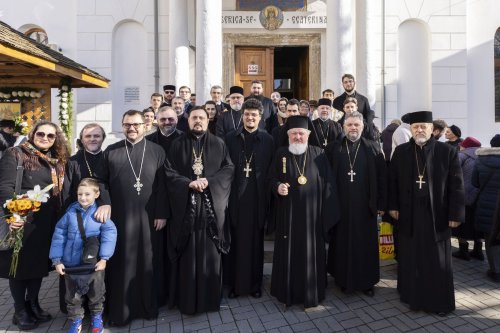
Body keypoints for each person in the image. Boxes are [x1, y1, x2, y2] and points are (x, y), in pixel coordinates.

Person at [389, 111, 464, 316]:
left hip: (436, 215)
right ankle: (412, 297)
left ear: (432, 129)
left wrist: (456, 214)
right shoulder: (402, 151)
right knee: (411, 256)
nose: (419, 130)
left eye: (423, 126)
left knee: (436, 260)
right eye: (415, 127)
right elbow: (392, 182)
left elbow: (457, 185)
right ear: (410, 130)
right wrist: (393, 206)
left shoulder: (446, 151)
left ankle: (439, 302)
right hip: (409, 213)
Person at [165, 106, 234, 314]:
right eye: (194, 117)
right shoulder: (177, 144)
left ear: (208, 120)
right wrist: (188, 183)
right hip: (186, 209)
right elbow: (168, 172)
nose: (198, 121)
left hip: (210, 211)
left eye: (201, 118)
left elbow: (229, 169)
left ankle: (210, 299)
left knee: (210, 255)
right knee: (186, 255)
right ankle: (185, 300)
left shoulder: (218, 144)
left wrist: (209, 181)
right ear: (187, 120)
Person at [0, 120, 69, 330]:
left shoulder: (53, 159)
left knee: (37, 267)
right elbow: (4, 187)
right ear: (32, 134)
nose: (45, 138)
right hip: (21, 222)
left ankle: (33, 303)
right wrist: (13, 216)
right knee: (19, 268)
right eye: (41, 134)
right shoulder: (16, 154)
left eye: (50, 135)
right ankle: (20, 310)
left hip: (45, 223)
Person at [103, 110, 168, 326]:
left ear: (146, 125)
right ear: (122, 126)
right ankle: (121, 311)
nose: (132, 128)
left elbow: (163, 185)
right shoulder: (111, 151)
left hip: (150, 218)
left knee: (147, 260)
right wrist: (105, 204)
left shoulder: (157, 150)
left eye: (136, 124)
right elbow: (101, 183)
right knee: (122, 261)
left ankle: (148, 307)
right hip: (120, 218)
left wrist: (161, 213)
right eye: (127, 124)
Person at [269, 116, 339, 308]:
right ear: (288, 135)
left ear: (308, 135)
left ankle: (312, 291)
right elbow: (271, 178)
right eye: (294, 134)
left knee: (311, 253)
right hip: (288, 216)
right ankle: (287, 291)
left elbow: (328, 184)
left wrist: (326, 213)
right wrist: (277, 187)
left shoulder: (319, 154)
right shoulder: (281, 154)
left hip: (312, 218)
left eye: (301, 133)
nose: (297, 137)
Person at [326, 111, 387, 296]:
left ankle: (367, 282)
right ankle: (343, 279)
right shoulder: (333, 149)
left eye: (356, 125)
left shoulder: (373, 148)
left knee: (365, 245)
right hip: (341, 206)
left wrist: (381, 204)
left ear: (363, 127)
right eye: (350, 125)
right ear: (344, 127)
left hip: (365, 207)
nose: (353, 128)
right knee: (342, 243)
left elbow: (383, 179)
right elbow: (326, 179)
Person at [49, 178, 117, 333]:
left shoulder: (99, 214)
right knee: (73, 298)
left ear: (97, 194)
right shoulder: (69, 214)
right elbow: (59, 236)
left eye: (87, 194)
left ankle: (96, 318)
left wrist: (105, 258)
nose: (83, 197)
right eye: (80, 194)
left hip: (93, 265)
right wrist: (56, 260)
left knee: (96, 294)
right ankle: (76, 321)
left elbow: (110, 233)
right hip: (71, 265)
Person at [223, 98, 274, 299]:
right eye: (247, 114)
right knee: (235, 243)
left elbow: (271, 169)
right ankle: (235, 285)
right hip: (235, 199)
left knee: (255, 244)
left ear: (260, 117)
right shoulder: (230, 138)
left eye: (254, 114)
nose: (250, 117)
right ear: (242, 115)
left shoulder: (268, 139)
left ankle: (255, 285)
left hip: (257, 199)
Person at [61, 123, 111, 313]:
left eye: (96, 136)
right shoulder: (73, 162)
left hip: (102, 220)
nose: (92, 139)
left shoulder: (109, 157)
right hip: (78, 221)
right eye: (88, 136)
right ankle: (76, 310)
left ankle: (98, 307)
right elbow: (67, 193)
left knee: (99, 265)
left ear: (103, 138)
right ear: (82, 139)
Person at [472, 134, 500, 282]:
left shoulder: (480, 160)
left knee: (490, 236)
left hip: (487, 202)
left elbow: (475, 182)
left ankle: (496, 270)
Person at [453, 137, 483, 261]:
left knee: (462, 225)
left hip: (463, 196)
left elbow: (453, 174)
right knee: (476, 223)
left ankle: (463, 251)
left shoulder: (461, 156)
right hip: (478, 196)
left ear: (466, 146)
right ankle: (478, 250)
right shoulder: (482, 158)